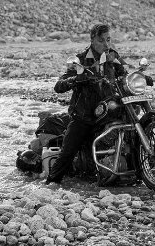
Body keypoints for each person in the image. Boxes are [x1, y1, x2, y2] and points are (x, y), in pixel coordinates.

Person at [46, 23, 127, 184]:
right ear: (92, 40)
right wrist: (77, 78)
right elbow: (59, 86)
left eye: (108, 40)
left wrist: (140, 78)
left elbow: (125, 75)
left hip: (106, 112)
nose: (106, 44)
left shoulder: (112, 56)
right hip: (84, 115)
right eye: (101, 40)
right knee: (67, 152)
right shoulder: (81, 59)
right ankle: (51, 184)